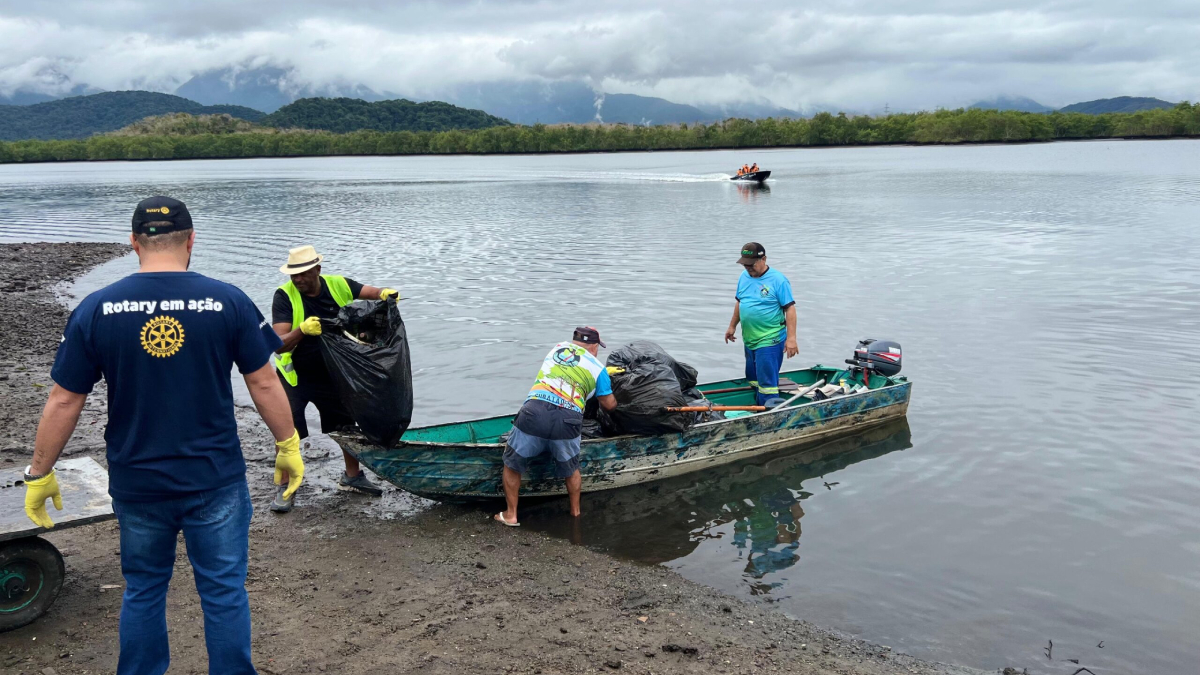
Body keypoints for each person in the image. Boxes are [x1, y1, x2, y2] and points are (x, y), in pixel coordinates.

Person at [22, 196, 304, 675]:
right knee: (222, 591)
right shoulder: (228, 300)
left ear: (134, 243)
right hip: (214, 478)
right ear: (192, 240)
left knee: (145, 588)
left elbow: (65, 399)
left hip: (138, 481)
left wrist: (39, 472)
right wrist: (288, 444)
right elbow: (263, 380)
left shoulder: (96, 308)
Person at [270, 245, 398, 511]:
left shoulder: (338, 285)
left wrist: (385, 293)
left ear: (317, 269)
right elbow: (277, 343)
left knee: (344, 425)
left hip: (333, 373)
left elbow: (371, 292)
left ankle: (352, 477)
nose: (297, 279)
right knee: (287, 430)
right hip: (296, 377)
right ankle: (284, 487)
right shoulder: (284, 296)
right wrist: (302, 331)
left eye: (303, 273)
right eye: (293, 274)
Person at [496, 327, 617, 526]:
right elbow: (609, 404)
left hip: (534, 411)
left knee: (512, 465)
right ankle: (575, 513)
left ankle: (511, 515)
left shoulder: (557, 349)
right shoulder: (598, 369)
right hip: (568, 419)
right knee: (571, 469)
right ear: (595, 346)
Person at [724, 242, 798, 406]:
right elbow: (740, 302)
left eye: (751, 264)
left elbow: (790, 309)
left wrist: (791, 338)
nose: (747, 268)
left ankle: (769, 413)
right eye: (745, 264)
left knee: (767, 386)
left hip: (770, 339)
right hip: (750, 340)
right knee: (753, 379)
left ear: (763, 259)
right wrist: (732, 326)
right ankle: (756, 407)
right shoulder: (744, 277)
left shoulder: (778, 280)